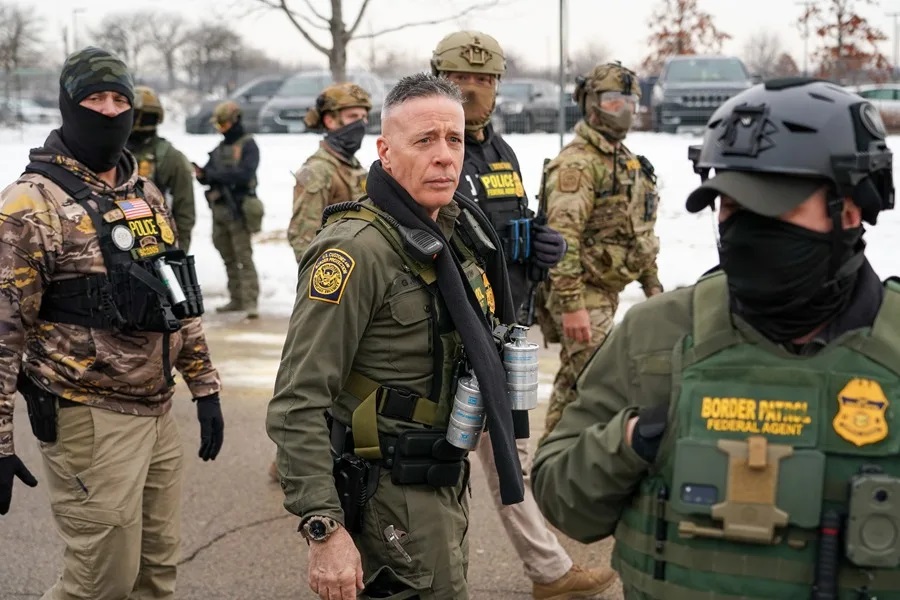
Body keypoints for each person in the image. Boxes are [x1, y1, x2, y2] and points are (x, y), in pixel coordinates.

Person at [532, 78, 897, 599]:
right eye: (730, 206)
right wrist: (633, 440)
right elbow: (562, 499)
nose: (746, 228)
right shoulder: (657, 333)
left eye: (775, 207)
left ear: (852, 208)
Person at [267, 72, 526, 600]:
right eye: (425, 140)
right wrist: (324, 528)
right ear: (385, 152)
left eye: (454, 139)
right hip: (388, 489)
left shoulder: (454, 230)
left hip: (442, 476)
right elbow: (298, 400)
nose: (445, 156)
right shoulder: (356, 250)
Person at [0, 46, 224, 600]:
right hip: (89, 417)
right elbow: (3, 334)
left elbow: (178, 297)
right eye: (94, 98)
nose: (108, 110)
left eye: (119, 99)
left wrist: (205, 387)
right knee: (99, 584)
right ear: (67, 106)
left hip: (157, 415)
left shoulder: (144, 194)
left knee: (155, 577)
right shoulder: (31, 204)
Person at [431, 30, 615, 600]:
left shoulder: (501, 152)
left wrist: (536, 244)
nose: (473, 90)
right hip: (448, 330)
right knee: (437, 458)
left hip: (505, 323)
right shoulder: (431, 148)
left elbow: (507, 222)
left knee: (509, 452)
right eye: (460, 79)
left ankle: (548, 571)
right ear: (438, 80)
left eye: (484, 79)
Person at [539, 61, 663, 443]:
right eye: (612, 101)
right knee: (604, 381)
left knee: (576, 382)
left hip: (608, 289)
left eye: (630, 101)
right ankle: (577, 456)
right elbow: (562, 239)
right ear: (590, 103)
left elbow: (638, 231)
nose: (623, 109)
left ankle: (551, 459)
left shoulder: (625, 161)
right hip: (582, 290)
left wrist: (653, 287)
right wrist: (572, 305)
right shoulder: (578, 164)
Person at [288, 82, 371, 262]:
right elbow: (304, 242)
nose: (361, 124)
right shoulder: (318, 171)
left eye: (364, 117)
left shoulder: (353, 166)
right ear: (330, 121)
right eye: (353, 116)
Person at [195, 100, 263, 319]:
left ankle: (250, 301)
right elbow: (208, 175)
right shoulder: (219, 150)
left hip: (239, 208)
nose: (221, 130)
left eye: (224, 125)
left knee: (244, 256)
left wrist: (214, 175)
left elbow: (244, 174)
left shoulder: (248, 145)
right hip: (220, 209)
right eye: (219, 125)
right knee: (227, 255)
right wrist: (202, 175)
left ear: (235, 121)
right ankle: (237, 298)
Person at [127, 85, 196, 252]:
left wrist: (179, 253)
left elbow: (184, 211)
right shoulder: (112, 152)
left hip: (154, 242)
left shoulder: (170, 157)